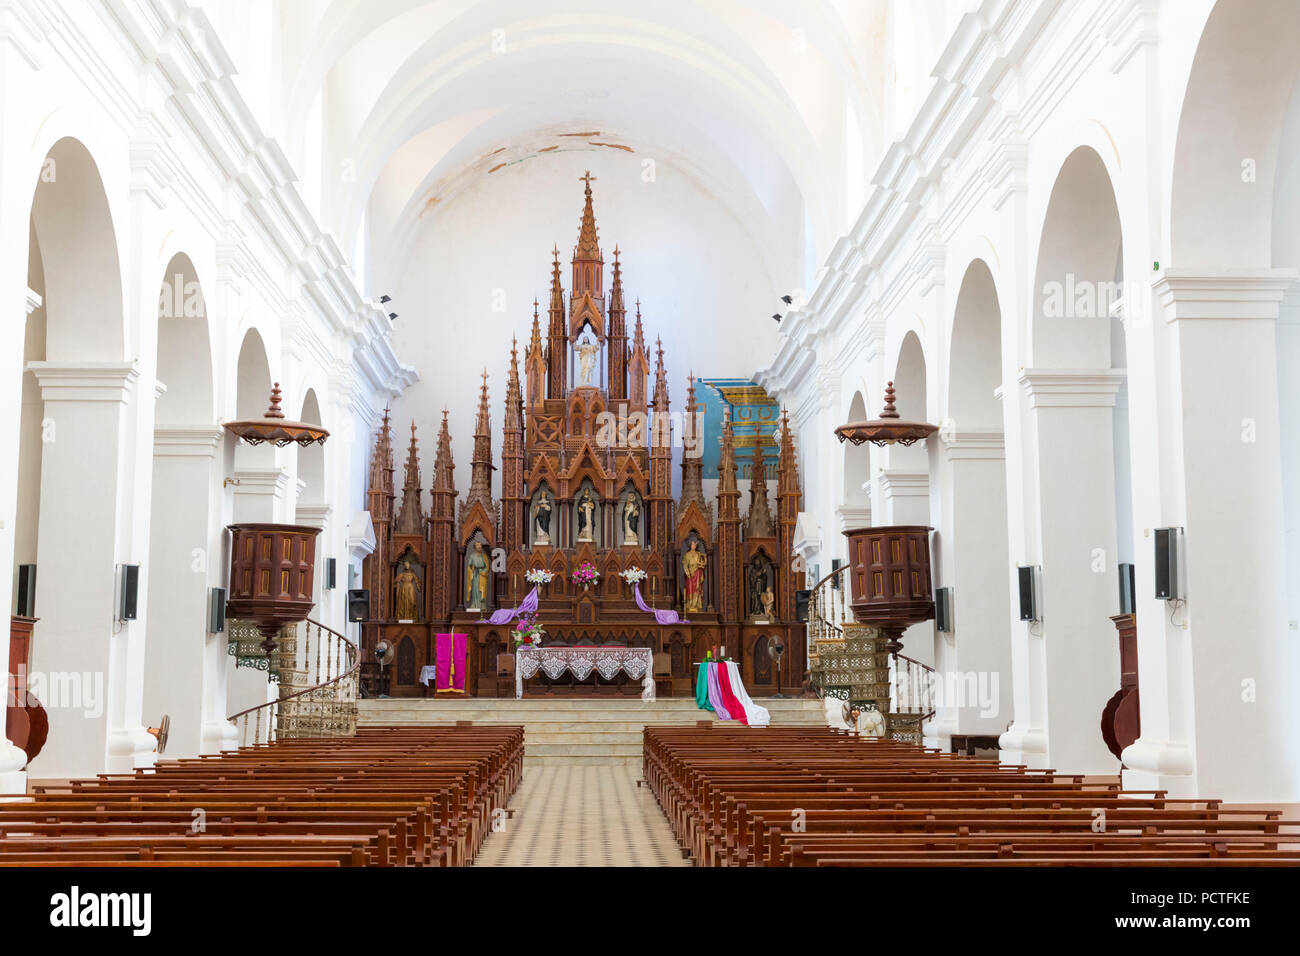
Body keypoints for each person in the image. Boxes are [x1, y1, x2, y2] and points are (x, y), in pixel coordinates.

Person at [682, 538, 707, 613]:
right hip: (690, 575)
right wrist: (688, 573)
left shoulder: (698, 554)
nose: (694, 546)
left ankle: (696, 605)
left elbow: (702, 562)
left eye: (695, 544)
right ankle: (690, 605)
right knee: (690, 589)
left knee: (697, 588)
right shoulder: (687, 555)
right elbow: (685, 565)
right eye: (693, 544)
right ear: (690, 545)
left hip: (697, 573)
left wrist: (701, 566)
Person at [466, 541, 489, 609]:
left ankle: (482, 606)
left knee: (481, 590)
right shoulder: (472, 556)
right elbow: (469, 566)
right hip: (475, 575)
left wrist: (483, 572)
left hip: (482, 575)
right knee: (475, 590)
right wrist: (471, 571)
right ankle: (474, 604)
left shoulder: (484, 556)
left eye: (480, 545)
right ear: (475, 547)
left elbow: (487, 566)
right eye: (477, 545)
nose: (479, 547)